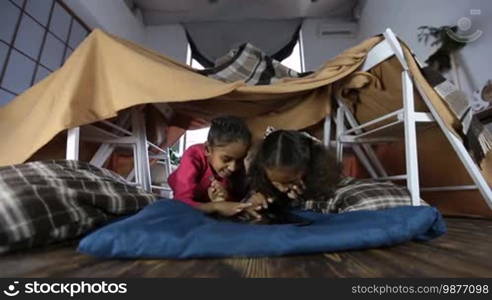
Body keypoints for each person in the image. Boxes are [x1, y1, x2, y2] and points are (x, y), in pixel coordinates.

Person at [244, 129, 342, 220]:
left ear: (307, 168)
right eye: (275, 182)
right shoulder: (259, 180)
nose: (283, 189)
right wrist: (252, 205)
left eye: (290, 181)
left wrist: (304, 201)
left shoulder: (335, 190)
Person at [168, 116, 253, 216]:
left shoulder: (237, 169)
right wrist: (216, 206)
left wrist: (225, 199)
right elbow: (180, 204)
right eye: (226, 159)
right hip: (187, 200)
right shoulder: (193, 156)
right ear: (208, 150)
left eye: (240, 160)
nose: (233, 167)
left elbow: (237, 201)